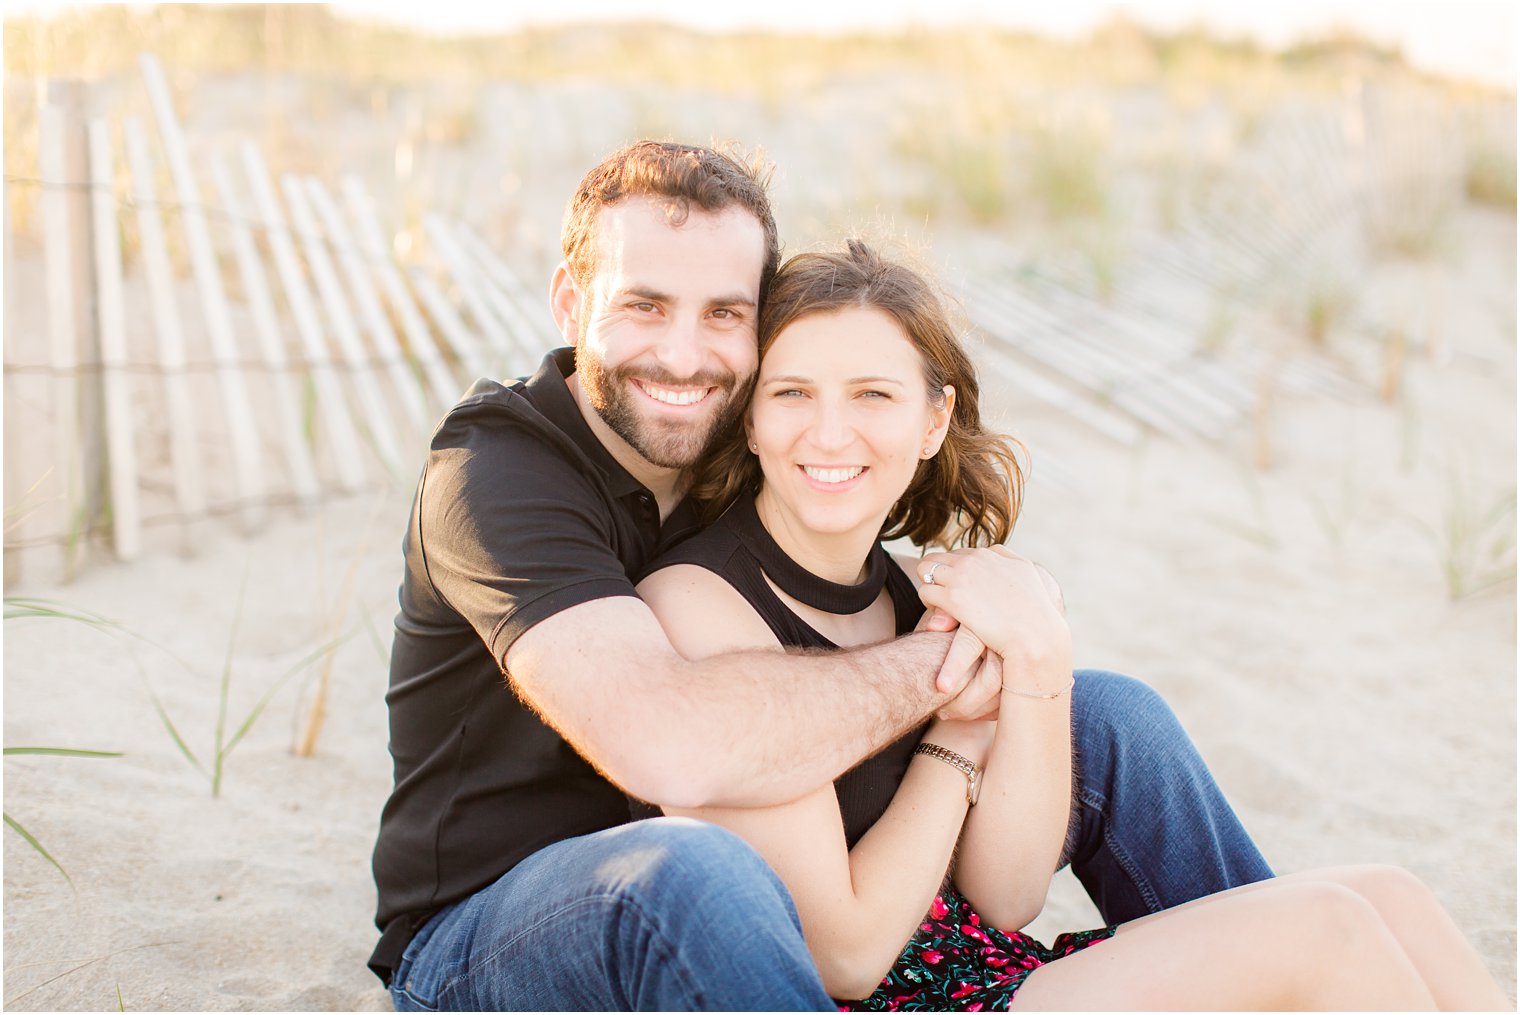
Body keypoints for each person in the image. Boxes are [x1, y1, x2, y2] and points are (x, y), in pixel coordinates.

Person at [371, 140, 1272, 1012]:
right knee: (689, 870)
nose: (685, 355)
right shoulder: (496, 476)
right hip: (501, 931)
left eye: (724, 313)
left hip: (754, 867)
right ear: (572, 306)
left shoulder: (731, 420)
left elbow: (839, 480)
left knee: (1108, 714)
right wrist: (956, 664)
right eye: (644, 305)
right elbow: (670, 745)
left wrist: (1018, 652)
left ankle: (1271, 971)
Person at [633, 240, 1508, 1011]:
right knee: (1328, 933)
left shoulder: (909, 598)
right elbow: (849, 956)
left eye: (873, 394)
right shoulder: (705, 605)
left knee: (1390, 896)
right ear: (749, 417)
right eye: (792, 392)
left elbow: (1006, 897)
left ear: (934, 419)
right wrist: (955, 732)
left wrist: (1038, 658)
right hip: (881, 1003)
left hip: (983, 973)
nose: (830, 431)